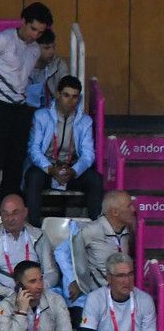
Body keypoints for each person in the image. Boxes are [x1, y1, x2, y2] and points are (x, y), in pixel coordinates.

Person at [0, 3, 55, 217]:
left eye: (40, 32)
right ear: (22, 21)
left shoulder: (35, 50)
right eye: (33, 29)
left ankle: (4, 217)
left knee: (14, 168)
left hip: (19, 111)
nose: (35, 35)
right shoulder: (2, 40)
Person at [22, 76, 103, 225]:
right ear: (58, 94)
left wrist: (74, 170)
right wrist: (51, 169)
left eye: (75, 97)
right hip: (46, 168)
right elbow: (33, 149)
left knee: (95, 180)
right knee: (33, 177)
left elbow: (88, 155)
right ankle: (33, 229)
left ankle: (96, 229)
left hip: (71, 169)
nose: (70, 101)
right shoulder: (41, 116)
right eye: (66, 95)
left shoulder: (85, 121)